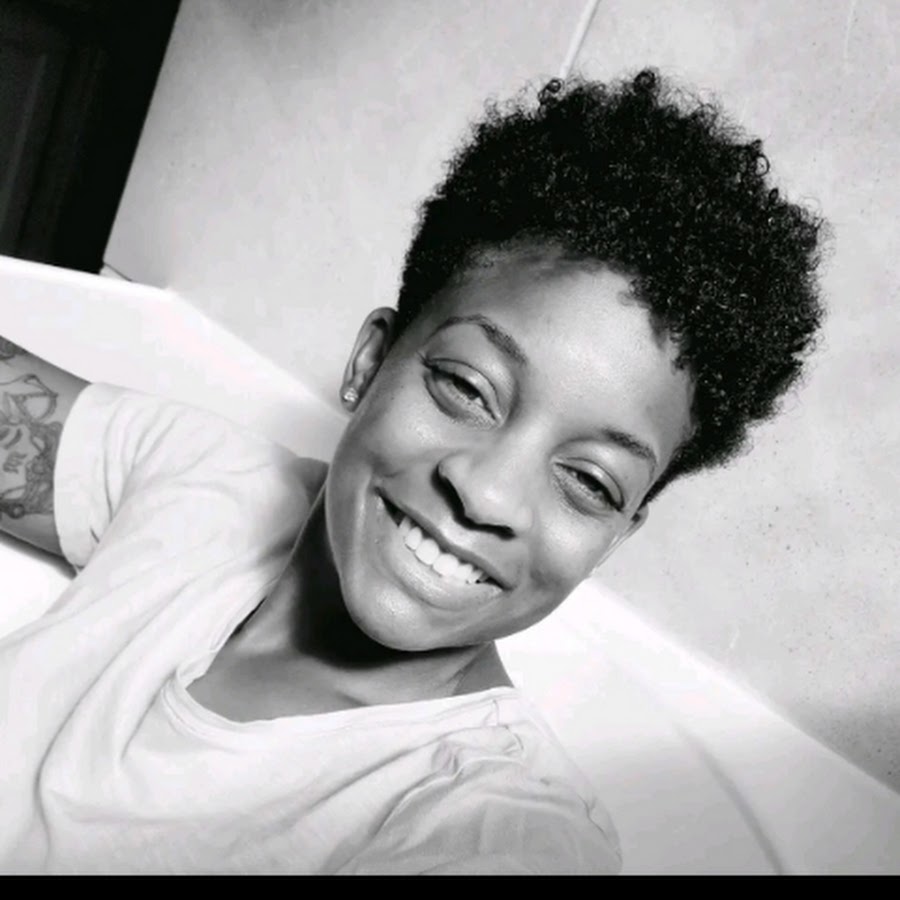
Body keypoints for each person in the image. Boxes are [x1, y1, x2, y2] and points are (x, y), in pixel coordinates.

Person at [0, 69, 825, 874]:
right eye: (466, 388)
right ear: (370, 360)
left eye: (591, 482)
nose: (488, 493)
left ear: (617, 534)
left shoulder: (493, 829)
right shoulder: (211, 485)